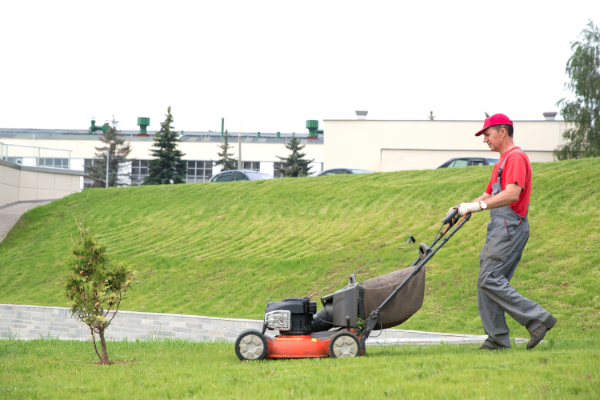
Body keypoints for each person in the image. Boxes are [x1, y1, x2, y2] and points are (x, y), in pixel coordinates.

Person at [449, 113, 556, 350]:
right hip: (500, 228)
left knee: (489, 278)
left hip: (510, 227)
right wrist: (461, 207)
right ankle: (497, 339)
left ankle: (537, 318)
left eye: (487, 134)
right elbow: (488, 196)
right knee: (487, 281)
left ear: (502, 132)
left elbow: (511, 193)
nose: (484, 140)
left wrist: (476, 207)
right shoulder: (501, 161)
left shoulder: (516, 158)